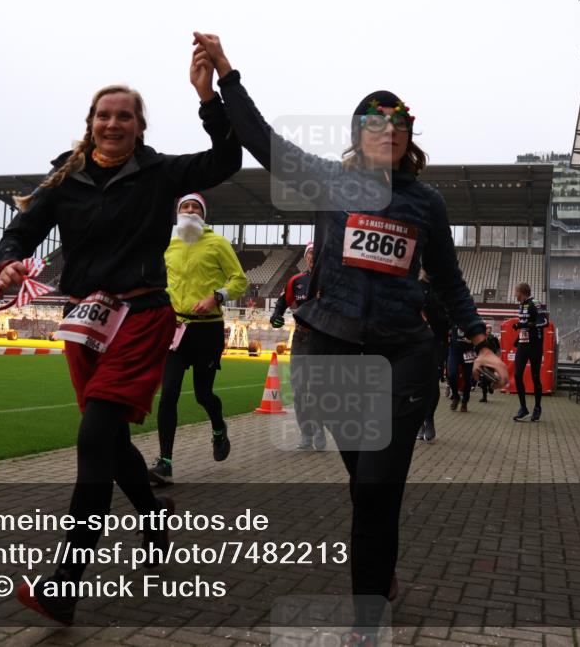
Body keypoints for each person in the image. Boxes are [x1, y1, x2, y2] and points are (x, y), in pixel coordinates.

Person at [191, 32, 509, 646]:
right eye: (374, 122)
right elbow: (262, 140)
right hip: (330, 353)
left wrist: (480, 339)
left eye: (399, 123)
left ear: (409, 135)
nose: (388, 131)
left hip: (402, 358)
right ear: (357, 132)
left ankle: (367, 623)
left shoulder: (427, 204)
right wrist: (228, 75)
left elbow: (447, 280)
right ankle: (379, 571)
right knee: (365, 487)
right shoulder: (326, 182)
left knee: (375, 493)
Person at [0, 56, 241, 624]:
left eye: (124, 116)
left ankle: (63, 588)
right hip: (85, 318)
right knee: (108, 440)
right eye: (104, 115)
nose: (112, 124)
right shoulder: (65, 177)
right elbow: (23, 229)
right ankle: (155, 525)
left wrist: (209, 97)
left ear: (139, 126)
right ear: (90, 122)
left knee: (93, 437)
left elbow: (226, 158)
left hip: (142, 314)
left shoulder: (160, 174)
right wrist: (7, 261)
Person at [150, 193, 248, 485]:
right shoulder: (169, 247)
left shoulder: (217, 243)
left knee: (204, 394)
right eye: (185, 207)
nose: (190, 210)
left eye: (196, 207)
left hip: (208, 329)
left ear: (203, 214)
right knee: (168, 394)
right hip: (176, 329)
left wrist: (216, 296)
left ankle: (218, 428)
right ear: (178, 213)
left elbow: (239, 281)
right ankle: (164, 463)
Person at [271, 242, 327, 451]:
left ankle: (320, 429)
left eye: (316, 252)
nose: (313, 256)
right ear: (306, 257)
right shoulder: (296, 281)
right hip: (301, 340)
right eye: (311, 252)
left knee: (319, 390)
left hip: (323, 340)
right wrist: (276, 316)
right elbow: (280, 304)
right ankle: (306, 434)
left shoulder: (329, 281)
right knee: (299, 390)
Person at [418, 271, 449, 442]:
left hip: (438, 340)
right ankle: (420, 422)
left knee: (433, 381)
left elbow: (450, 315)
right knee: (417, 383)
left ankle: (429, 419)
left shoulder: (442, 289)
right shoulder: (414, 286)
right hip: (415, 340)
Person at [511, 282, 548, 422]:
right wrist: (518, 337)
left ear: (521, 292)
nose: (515, 295)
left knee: (535, 377)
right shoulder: (521, 305)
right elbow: (524, 325)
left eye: (516, 292)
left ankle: (537, 408)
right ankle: (523, 408)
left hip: (535, 346)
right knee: (517, 374)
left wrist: (524, 325)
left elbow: (544, 322)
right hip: (523, 345)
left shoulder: (535, 303)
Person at [478, 324, 500, 402]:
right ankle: (484, 397)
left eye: (490, 328)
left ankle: (491, 387)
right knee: (483, 378)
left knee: (489, 376)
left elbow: (498, 348)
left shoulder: (493, 338)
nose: (489, 330)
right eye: (487, 328)